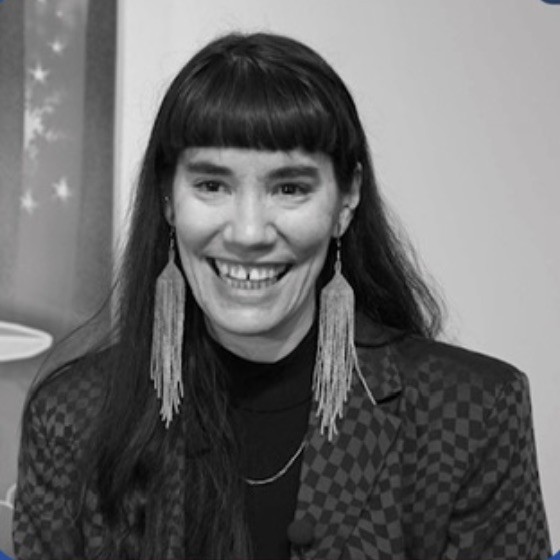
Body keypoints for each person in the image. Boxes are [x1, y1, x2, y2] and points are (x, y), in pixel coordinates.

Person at [13, 32, 551, 560]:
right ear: (168, 199)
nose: (249, 232)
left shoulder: (474, 413)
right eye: (212, 185)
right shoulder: (70, 419)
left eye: (289, 188)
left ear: (346, 201)